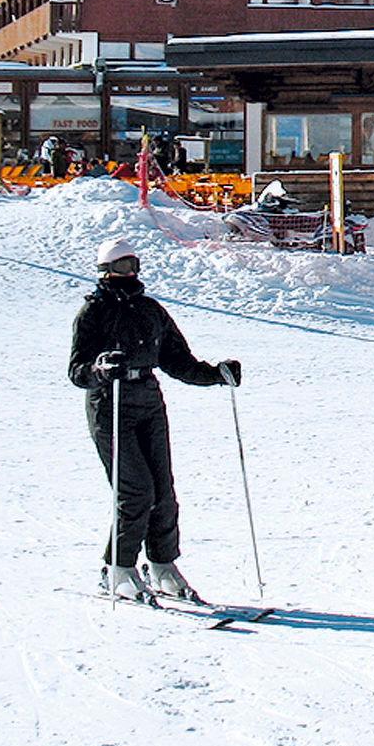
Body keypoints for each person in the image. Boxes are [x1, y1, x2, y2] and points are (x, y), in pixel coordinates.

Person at [68, 238, 240, 602]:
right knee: (135, 490)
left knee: (163, 490)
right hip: (109, 402)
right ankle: (119, 569)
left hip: (147, 398)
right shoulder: (94, 313)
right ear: (105, 271)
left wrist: (215, 374)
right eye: (119, 267)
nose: (127, 274)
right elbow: (77, 370)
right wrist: (100, 368)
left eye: (131, 266)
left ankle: (162, 565)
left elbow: (178, 360)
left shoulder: (150, 310)